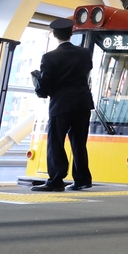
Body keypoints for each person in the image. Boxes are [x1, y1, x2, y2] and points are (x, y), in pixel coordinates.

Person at [30, 18, 95, 192]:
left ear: (54, 35)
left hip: (61, 104)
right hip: (82, 103)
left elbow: (45, 83)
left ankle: (57, 179)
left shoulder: (49, 57)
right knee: (79, 142)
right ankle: (82, 179)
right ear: (71, 32)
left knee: (56, 141)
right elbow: (87, 70)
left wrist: (39, 89)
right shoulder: (84, 53)